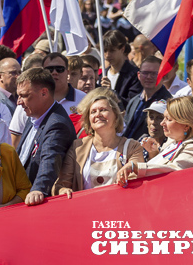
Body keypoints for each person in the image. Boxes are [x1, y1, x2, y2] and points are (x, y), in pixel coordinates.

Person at [54, 95, 144, 198]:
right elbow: (61, 184)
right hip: (87, 209)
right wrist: (62, 190)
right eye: (93, 112)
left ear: (115, 116)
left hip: (119, 208)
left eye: (103, 110)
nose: (98, 114)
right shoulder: (78, 147)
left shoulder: (132, 147)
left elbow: (138, 174)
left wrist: (131, 167)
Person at [117, 96, 193, 185]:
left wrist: (137, 167)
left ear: (186, 125)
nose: (162, 123)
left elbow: (175, 171)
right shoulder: (174, 141)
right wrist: (154, 153)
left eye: (168, 119)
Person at [15, 68, 76, 206]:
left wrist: (38, 190)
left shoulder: (57, 124)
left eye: (24, 95)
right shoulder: (33, 116)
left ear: (44, 93)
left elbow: (50, 161)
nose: (19, 102)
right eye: (18, 95)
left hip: (33, 202)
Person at [10, 53, 85, 147]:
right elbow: (15, 138)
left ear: (68, 72)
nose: (54, 72)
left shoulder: (84, 99)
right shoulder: (27, 101)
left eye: (59, 69)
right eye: (49, 69)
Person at [123, 56, 172, 140]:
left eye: (154, 73)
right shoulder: (133, 101)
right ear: (139, 75)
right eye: (145, 73)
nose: (149, 77)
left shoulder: (168, 103)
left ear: (163, 75)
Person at [101, 30, 142, 109]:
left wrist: (112, 93)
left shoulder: (134, 75)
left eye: (112, 51)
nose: (107, 55)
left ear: (122, 49)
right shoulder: (103, 74)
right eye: (105, 51)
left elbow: (132, 105)